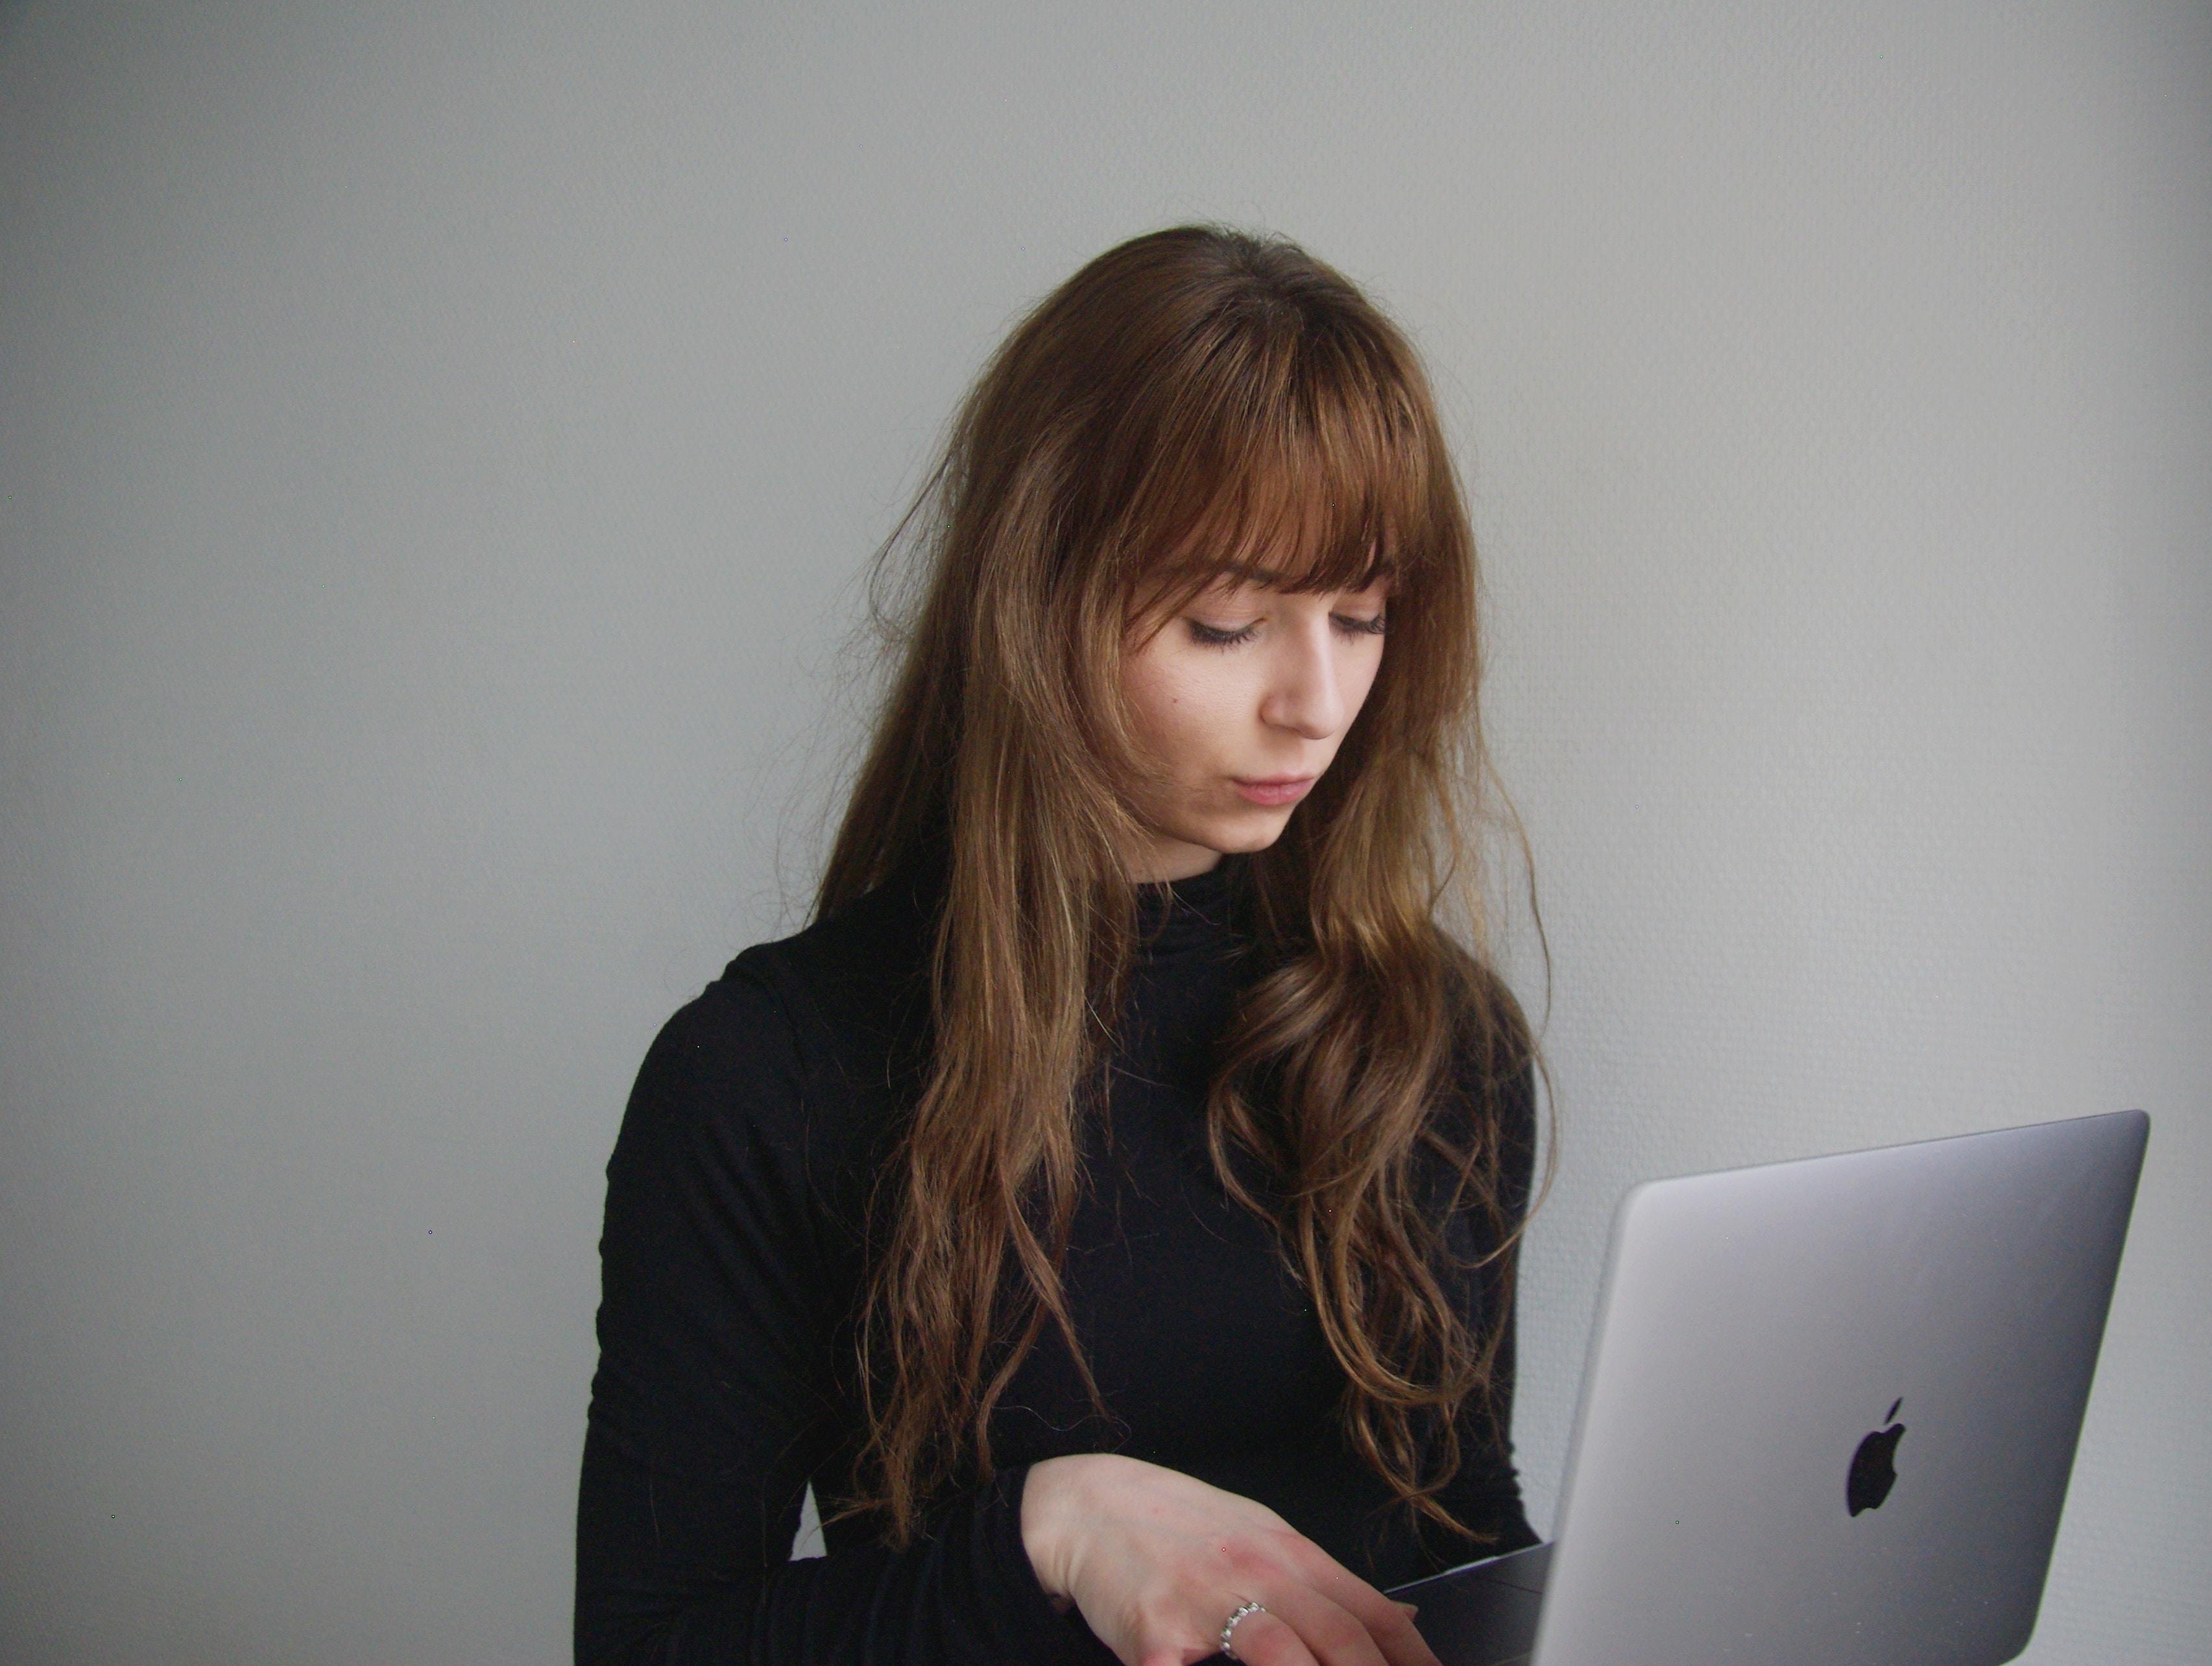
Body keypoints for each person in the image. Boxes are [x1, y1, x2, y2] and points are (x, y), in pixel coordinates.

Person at [573, 224, 1552, 1666]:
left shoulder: (1433, 1041)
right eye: (1228, 622)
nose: (1318, 700)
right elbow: (650, 1645)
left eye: (1363, 612)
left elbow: (1454, 1526)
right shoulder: (767, 1079)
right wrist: (1045, 1533)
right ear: (1036, 600)